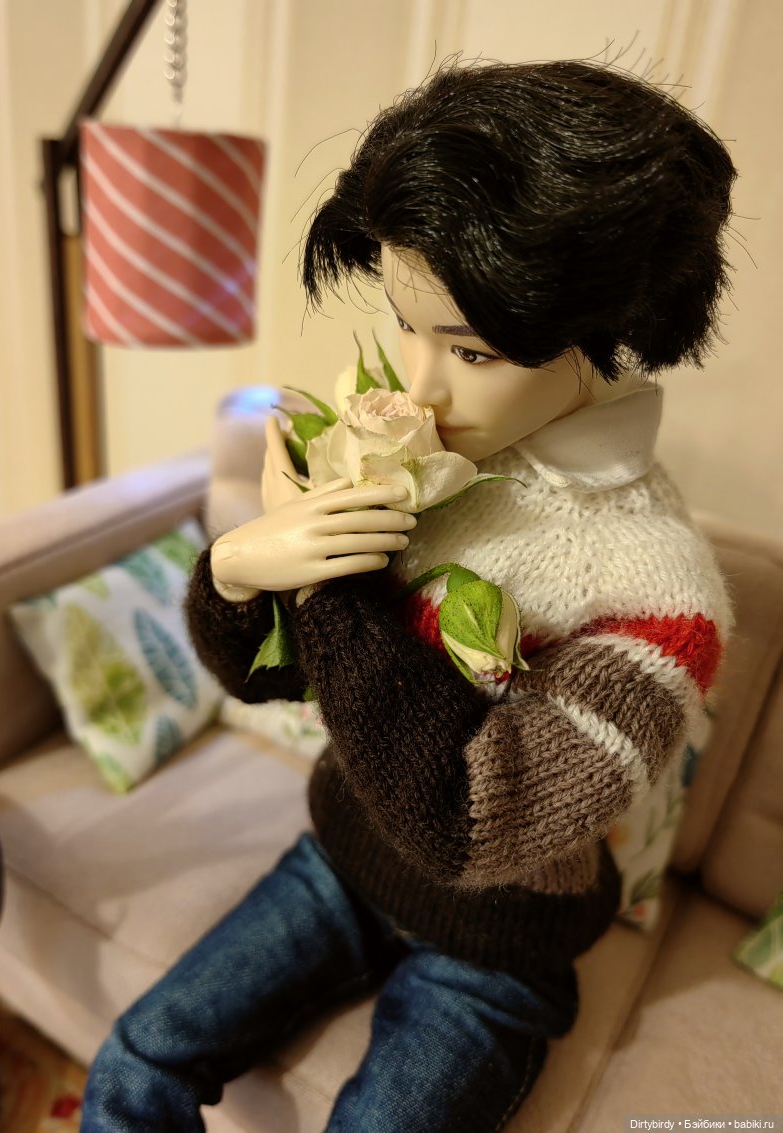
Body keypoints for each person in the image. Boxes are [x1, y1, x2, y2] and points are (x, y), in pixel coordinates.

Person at [81, 58, 735, 1132]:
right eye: (405, 323)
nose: (420, 384)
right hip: (339, 855)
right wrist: (240, 567)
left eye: (470, 349)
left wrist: (327, 582)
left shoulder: (664, 598)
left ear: (605, 329)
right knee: (135, 1061)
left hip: (498, 941)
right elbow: (264, 675)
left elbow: (468, 822)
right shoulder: (411, 446)